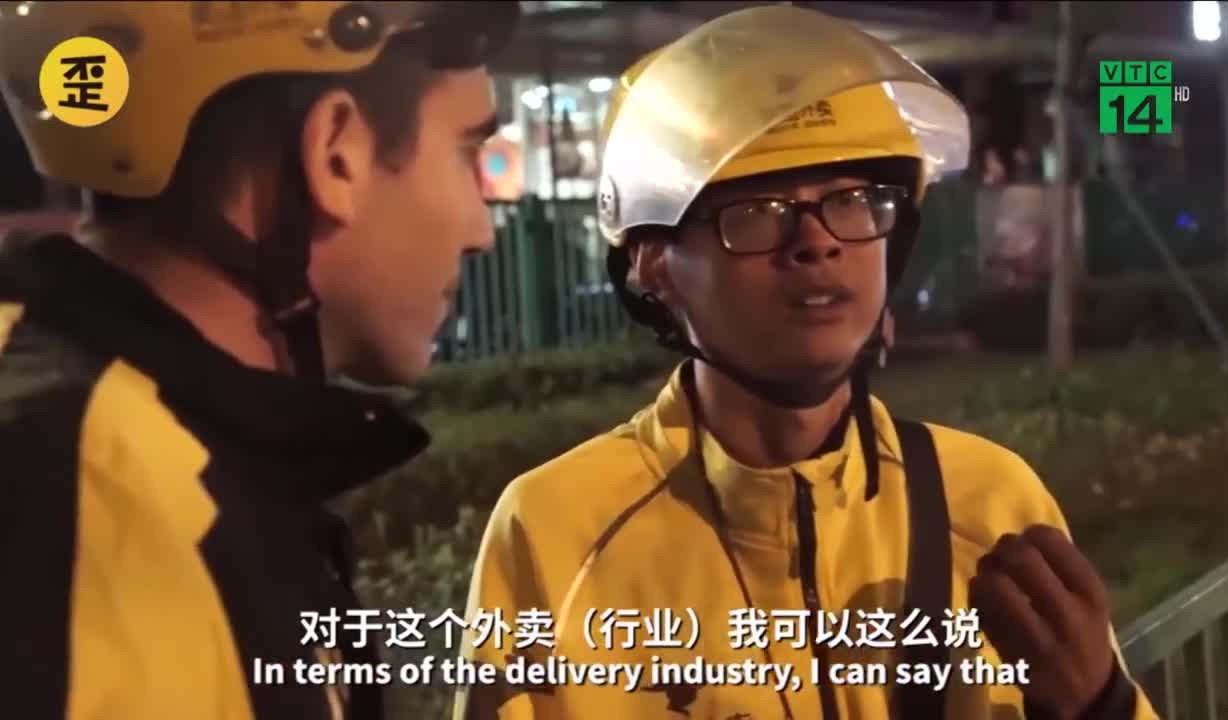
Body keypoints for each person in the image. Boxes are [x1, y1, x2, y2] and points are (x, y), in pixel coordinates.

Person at [456, 7, 1159, 720]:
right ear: (655, 263)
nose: (817, 242)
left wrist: (1098, 705)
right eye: (759, 211)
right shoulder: (557, 533)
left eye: (851, 201)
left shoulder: (991, 505)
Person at [0, 2, 518, 719]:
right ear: (336, 154)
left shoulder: (161, 452)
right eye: (466, 153)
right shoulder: (86, 502)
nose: (482, 230)